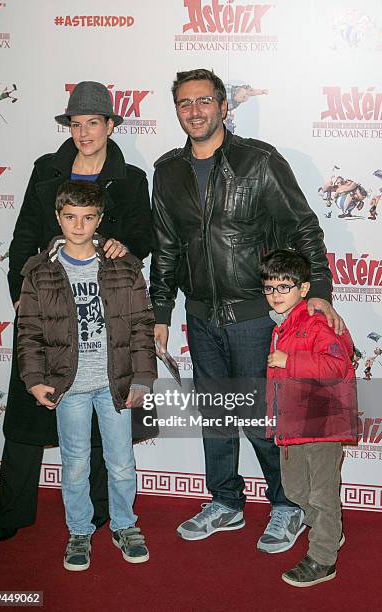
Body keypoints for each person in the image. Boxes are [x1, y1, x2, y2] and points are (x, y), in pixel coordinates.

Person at [150, 68, 343, 552]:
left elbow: (303, 227)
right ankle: (226, 502)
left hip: (256, 315)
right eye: (185, 103)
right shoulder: (167, 170)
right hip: (201, 314)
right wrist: (159, 312)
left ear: (222, 106)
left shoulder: (259, 161)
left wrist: (318, 288)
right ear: (177, 110)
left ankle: (287, 505)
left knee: (262, 417)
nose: (194, 111)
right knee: (216, 417)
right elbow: (167, 247)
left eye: (204, 101)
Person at [0, 81, 153, 542]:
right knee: (27, 414)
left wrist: (127, 246)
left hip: (104, 316)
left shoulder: (132, 179)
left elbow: (143, 238)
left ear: (110, 125)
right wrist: (18, 295)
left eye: (93, 123)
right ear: (69, 126)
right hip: (45, 308)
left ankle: (103, 515)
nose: (84, 132)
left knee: (105, 421)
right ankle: (12, 513)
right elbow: (24, 234)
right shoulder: (47, 169)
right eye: (76, 123)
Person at [17, 180, 156, 570]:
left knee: (122, 462)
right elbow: (28, 330)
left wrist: (142, 378)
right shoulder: (39, 271)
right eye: (71, 217)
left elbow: (143, 326)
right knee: (75, 464)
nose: (79, 226)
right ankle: (79, 531)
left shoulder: (123, 266)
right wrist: (33, 379)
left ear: (99, 220)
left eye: (88, 218)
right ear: (58, 218)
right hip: (69, 387)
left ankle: (125, 525)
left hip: (115, 384)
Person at [261, 249, 357, 586]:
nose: (275, 295)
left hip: (322, 424)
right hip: (292, 426)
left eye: (284, 287)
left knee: (321, 494)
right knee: (296, 490)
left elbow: (338, 367)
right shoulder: (282, 325)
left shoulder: (317, 321)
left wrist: (290, 361)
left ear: (304, 289)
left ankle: (322, 558)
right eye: (270, 288)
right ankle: (330, 532)